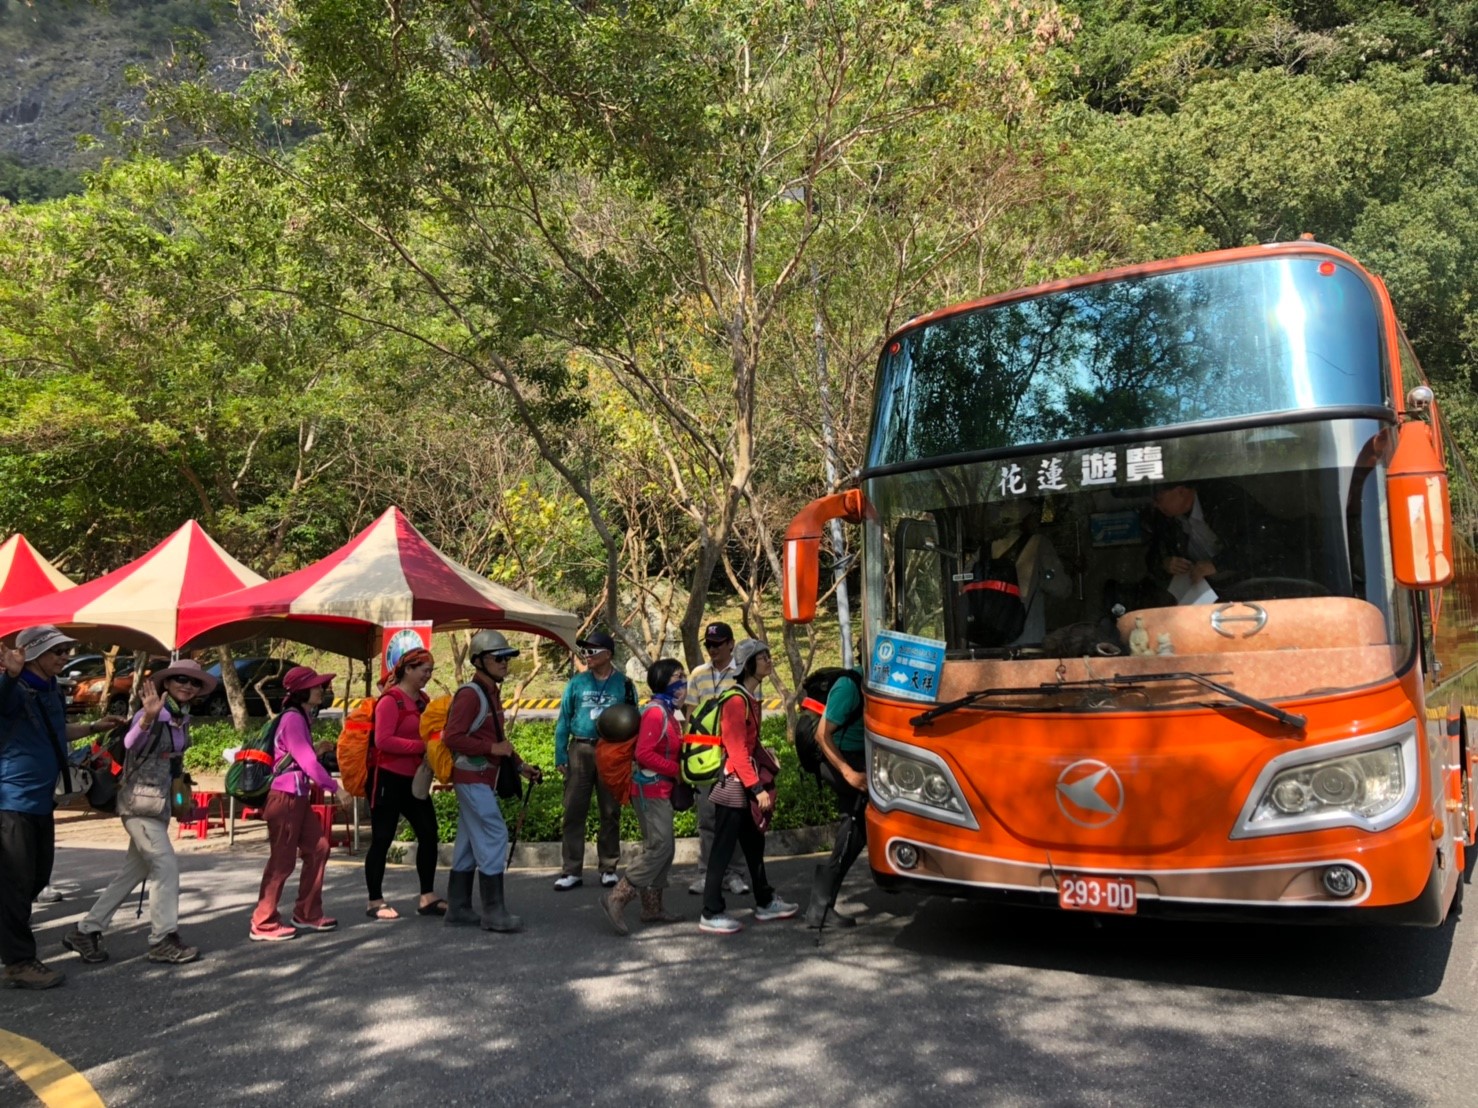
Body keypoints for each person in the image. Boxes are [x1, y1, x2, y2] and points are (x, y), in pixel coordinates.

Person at [66, 657, 215, 967]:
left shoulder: (181, 718)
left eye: (194, 682)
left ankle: (86, 930)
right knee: (166, 866)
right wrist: (147, 717)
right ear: (167, 683)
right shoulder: (152, 713)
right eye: (181, 679)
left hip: (158, 805)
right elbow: (132, 743)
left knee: (133, 872)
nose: (188, 685)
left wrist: (180, 800)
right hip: (138, 804)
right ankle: (162, 939)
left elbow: (173, 765)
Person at [1, 627, 124, 988]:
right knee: (16, 884)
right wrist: (10, 676)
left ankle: (12, 943)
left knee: (37, 878)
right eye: (57, 651)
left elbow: (57, 731)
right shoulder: (13, 687)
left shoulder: (51, 688)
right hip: (11, 800)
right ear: (33, 653)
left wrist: (93, 726)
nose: (65, 657)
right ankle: (19, 962)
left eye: (67, 650)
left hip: (43, 800)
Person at [442, 630, 541, 933]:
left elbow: (499, 740)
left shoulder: (490, 692)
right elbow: (452, 737)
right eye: (498, 658)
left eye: (507, 658)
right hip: (472, 777)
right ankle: (493, 912)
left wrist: (520, 766)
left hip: (482, 777)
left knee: (468, 843)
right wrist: (491, 749)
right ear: (479, 661)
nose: (504, 663)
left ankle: (458, 908)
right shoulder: (470, 694)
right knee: (494, 833)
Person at [699, 639, 798, 935]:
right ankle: (711, 911)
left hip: (742, 784)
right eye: (762, 657)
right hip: (734, 786)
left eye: (768, 655)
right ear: (748, 665)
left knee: (754, 846)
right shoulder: (736, 700)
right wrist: (757, 789)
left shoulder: (749, 698)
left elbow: (749, 746)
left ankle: (765, 900)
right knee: (722, 850)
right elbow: (736, 750)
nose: (769, 660)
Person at [248, 666, 342, 942]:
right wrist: (335, 788)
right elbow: (308, 763)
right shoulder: (293, 718)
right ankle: (263, 922)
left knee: (319, 848)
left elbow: (298, 756)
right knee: (282, 861)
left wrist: (317, 749)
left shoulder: (300, 717)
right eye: (316, 686)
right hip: (285, 798)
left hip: (295, 796)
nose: (321, 690)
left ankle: (307, 913)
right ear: (302, 691)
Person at [601, 658, 687, 935]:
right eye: (677, 677)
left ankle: (652, 908)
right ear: (662, 681)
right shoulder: (655, 713)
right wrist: (676, 770)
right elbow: (643, 754)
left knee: (663, 848)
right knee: (660, 847)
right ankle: (617, 896)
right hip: (650, 790)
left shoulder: (669, 711)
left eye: (683, 675)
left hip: (661, 789)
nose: (683, 681)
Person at [364, 647, 445, 920]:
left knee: (429, 833)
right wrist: (420, 746)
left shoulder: (423, 701)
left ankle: (427, 897)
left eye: (430, 671)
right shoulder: (390, 701)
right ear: (408, 670)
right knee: (382, 838)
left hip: (415, 779)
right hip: (387, 779)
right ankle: (375, 901)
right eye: (424, 670)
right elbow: (383, 741)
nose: (428, 676)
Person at [552, 631, 636, 891]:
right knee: (573, 810)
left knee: (610, 811)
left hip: (611, 752)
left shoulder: (624, 684)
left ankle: (608, 867)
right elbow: (564, 718)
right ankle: (571, 870)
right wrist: (560, 752)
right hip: (580, 749)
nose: (586, 656)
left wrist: (630, 756)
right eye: (584, 651)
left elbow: (634, 719)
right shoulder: (576, 683)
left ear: (608, 654)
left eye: (592, 651)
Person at [683, 621, 749, 898]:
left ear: (731, 644)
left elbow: (751, 714)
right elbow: (690, 715)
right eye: (709, 645)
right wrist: (687, 755)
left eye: (718, 644)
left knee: (733, 818)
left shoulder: (743, 672)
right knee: (707, 819)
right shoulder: (698, 674)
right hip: (705, 758)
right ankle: (706, 873)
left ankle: (734, 874)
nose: (712, 649)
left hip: (733, 756)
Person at [803, 672, 868, 929]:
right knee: (853, 827)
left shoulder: (880, 682)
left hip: (857, 760)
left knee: (856, 830)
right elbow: (822, 735)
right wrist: (848, 773)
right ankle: (819, 909)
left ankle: (820, 907)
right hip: (839, 762)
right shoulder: (849, 686)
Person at [992, 501, 1071, 646]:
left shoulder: (986, 549)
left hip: (991, 637)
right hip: (1028, 636)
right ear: (1025, 520)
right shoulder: (1039, 543)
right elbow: (1059, 587)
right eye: (1033, 516)